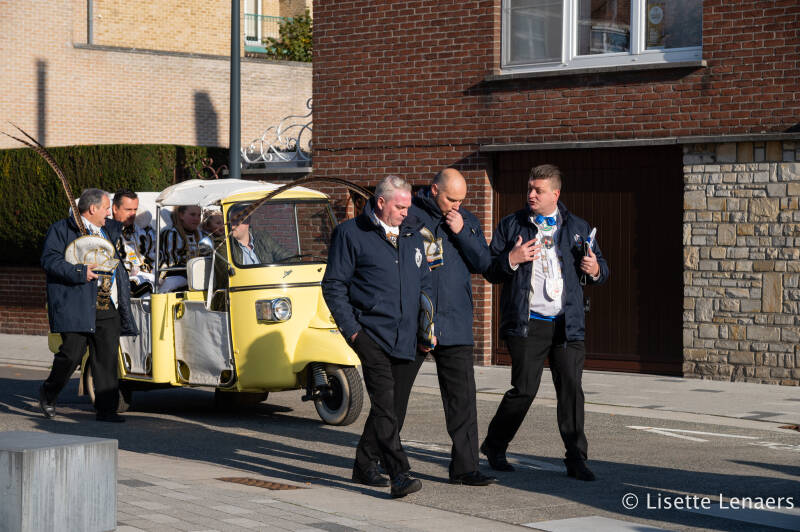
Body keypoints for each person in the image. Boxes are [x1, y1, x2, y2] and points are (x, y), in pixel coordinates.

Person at [481, 164, 609, 481]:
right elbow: (489, 268)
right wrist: (512, 259)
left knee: (571, 391)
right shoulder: (512, 225)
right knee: (524, 390)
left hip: (568, 324)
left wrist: (594, 269)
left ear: (556, 193)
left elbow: (602, 270)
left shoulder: (577, 227)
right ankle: (495, 446)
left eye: (538, 190)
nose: (531, 195)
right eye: (529, 189)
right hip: (529, 323)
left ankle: (576, 458)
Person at [322, 175, 433, 498]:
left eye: (408, 206)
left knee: (393, 407)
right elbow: (333, 286)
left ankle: (363, 463)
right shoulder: (351, 233)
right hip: (370, 334)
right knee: (385, 405)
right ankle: (399, 473)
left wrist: (427, 328)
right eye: (399, 207)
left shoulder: (413, 233)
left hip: (410, 337)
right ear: (381, 203)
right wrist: (353, 331)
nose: (405, 212)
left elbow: (425, 282)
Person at [392, 168, 496, 486]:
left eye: (461, 200)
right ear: (435, 190)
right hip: (416, 323)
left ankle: (465, 468)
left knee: (462, 399)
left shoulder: (466, 220)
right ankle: (372, 458)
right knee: (393, 397)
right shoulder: (410, 217)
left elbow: (485, 264)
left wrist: (462, 230)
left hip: (456, 322)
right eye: (451, 199)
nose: (456, 206)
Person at [38, 188, 139, 422]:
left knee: (106, 358)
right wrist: (79, 271)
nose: (109, 213)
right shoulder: (61, 230)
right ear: (92, 209)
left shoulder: (109, 230)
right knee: (71, 354)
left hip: (106, 303)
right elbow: (49, 260)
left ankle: (106, 409)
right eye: (106, 208)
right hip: (77, 303)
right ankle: (49, 392)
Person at [112, 189, 156, 295]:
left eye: (135, 210)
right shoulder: (106, 234)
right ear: (115, 209)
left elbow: (154, 257)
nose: (133, 214)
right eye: (128, 210)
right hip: (122, 284)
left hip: (148, 279)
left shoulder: (142, 233)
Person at [158, 205, 203, 291]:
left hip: (195, 275)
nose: (197, 219)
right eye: (192, 215)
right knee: (172, 283)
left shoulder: (200, 234)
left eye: (199, 215)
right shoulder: (172, 234)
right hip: (173, 275)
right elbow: (171, 264)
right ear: (181, 215)